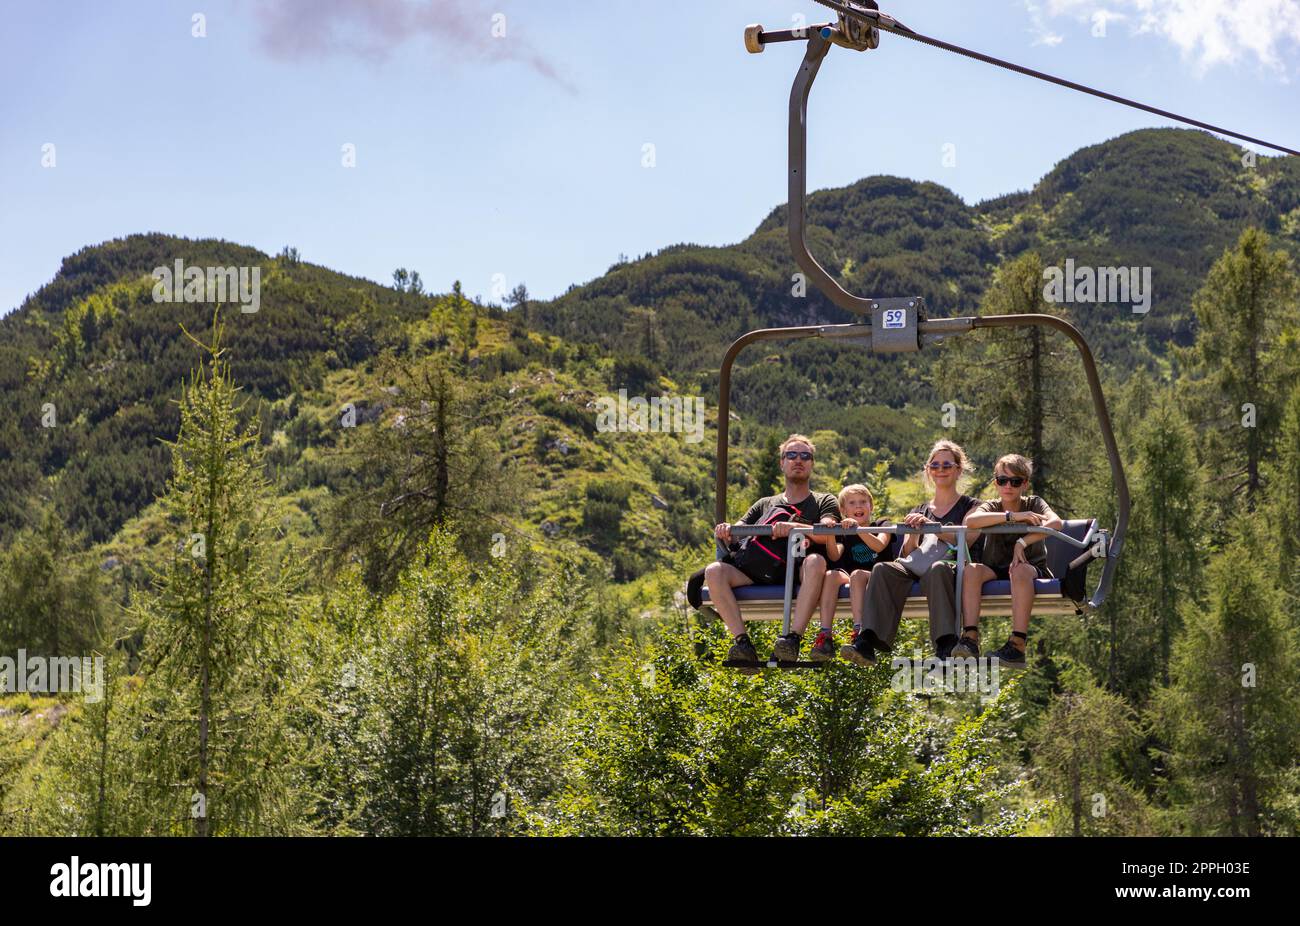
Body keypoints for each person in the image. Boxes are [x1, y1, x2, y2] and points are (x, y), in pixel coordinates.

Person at [841, 440, 983, 667]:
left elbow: (967, 539)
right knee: (883, 568)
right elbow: (908, 552)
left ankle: (945, 642)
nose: (940, 470)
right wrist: (915, 532)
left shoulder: (973, 506)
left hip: (950, 566)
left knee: (938, 569)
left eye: (947, 465)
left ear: (958, 469)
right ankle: (868, 639)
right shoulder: (919, 509)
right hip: (917, 565)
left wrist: (932, 527)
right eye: (935, 466)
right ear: (928, 470)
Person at [706, 434, 839, 671]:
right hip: (761, 568)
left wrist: (795, 527)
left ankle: (793, 639)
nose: (798, 460)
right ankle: (742, 643)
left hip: (800, 571)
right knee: (714, 571)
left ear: (812, 464)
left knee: (816, 561)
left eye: (805, 456)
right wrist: (727, 530)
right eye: (792, 455)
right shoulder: (765, 503)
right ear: (782, 463)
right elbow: (738, 532)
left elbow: (827, 532)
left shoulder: (824, 501)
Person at [952, 454, 1063, 670]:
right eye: (1002, 480)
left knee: (1019, 571)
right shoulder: (992, 507)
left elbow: (1055, 523)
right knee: (972, 570)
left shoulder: (1034, 503)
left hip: (1029, 568)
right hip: (995, 567)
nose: (1008, 486)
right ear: (996, 483)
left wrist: (1023, 542)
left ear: (1025, 484)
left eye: (1015, 481)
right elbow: (972, 522)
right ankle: (970, 637)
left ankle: (1017, 644)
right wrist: (1012, 517)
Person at [808, 484, 893, 661]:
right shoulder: (843, 531)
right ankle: (825, 636)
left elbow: (878, 545)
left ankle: (859, 632)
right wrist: (831, 533)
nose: (858, 506)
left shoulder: (883, 524)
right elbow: (834, 555)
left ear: (871, 506)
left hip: (879, 577)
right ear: (844, 510)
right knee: (831, 575)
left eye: (863, 502)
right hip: (854, 578)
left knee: (858, 575)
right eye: (852, 503)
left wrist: (858, 530)